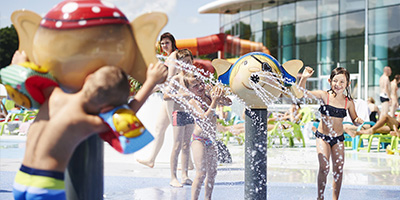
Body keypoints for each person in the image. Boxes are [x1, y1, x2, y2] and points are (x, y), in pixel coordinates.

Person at [12, 60, 167, 199]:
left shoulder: (52, 93)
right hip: (47, 186)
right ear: (107, 108)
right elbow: (128, 115)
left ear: (87, 79)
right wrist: (151, 81)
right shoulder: (85, 121)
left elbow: (24, 76)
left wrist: (18, 63)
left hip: (21, 178)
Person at [298, 66, 363, 200]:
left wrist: (357, 121)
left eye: (342, 82)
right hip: (323, 137)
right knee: (324, 167)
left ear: (348, 84)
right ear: (329, 81)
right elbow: (301, 93)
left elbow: (354, 118)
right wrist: (304, 78)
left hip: (338, 139)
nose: (338, 85)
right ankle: (320, 197)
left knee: (338, 170)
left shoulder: (348, 102)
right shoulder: (324, 96)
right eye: (335, 81)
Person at [137, 32, 182, 168]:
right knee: (159, 128)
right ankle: (151, 159)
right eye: (162, 43)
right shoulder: (169, 57)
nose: (164, 46)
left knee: (178, 129)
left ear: (172, 43)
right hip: (167, 96)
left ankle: (188, 162)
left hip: (173, 97)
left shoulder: (174, 56)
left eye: (167, 43)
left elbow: (170, 78)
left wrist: (150, 89)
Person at [185, 77, 231, 200]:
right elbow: (204, 118)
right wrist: (214, 102)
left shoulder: (209, 97)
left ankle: (207, 198)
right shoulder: (192, 102)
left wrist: (220, 93)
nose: (200, 87)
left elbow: (229, 102)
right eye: (195, 86)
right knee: (201, 174)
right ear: (189, 90)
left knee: (212, 174)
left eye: (201, 83)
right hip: (198, 139)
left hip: (211, 139)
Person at [163, 49, 195, 187]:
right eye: (183, 63)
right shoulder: (177, 78)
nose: (186, 65)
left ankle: (185, 175)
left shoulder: (194, 78)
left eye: (188, 62)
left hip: (190, 114)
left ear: (192, 62)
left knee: (186, 145)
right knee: (176, 145)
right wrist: (182, 96)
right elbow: (165, 95)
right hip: (179, 114)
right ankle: (173, 177)